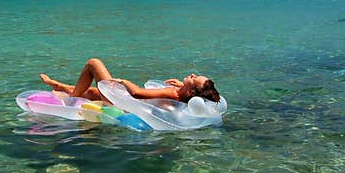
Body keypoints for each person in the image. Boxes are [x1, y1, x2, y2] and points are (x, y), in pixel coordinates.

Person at [39, 58, 221, 106]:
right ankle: (59, 86)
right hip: (123, 101)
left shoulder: (171, 93)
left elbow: (137, 93)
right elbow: (187, 94)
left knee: (93, 63)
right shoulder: (182, 94)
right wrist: (183, 85)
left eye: (194, 78)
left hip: (122, 101)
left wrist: (123, 81)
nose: (192, 74)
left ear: (191, 92)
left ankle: (71, 101)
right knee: (93, 93)